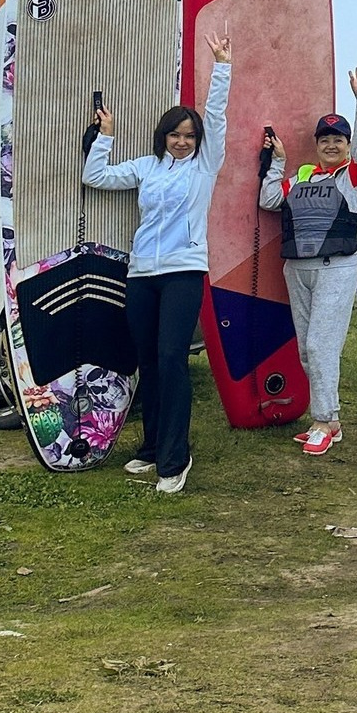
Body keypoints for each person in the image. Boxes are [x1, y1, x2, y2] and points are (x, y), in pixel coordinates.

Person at [83, 30, 232, 494]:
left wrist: (221, 67)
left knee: (172, 358)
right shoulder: (148, 167)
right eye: (175, 134)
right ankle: (150, 449)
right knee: (148, 360)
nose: (182, 142)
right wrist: (104, 137)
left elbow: (217, 117)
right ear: (163, 136)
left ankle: (175, 457)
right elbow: (95, 176)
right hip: (143, 273)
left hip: (184, 272)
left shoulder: (205, 166)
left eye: (189, 136)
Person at [259, 68, 357, 457]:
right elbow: (269, 200)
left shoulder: (353, 175)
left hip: (336, 268)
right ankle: (332, 421)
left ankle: (323, 420)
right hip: (297, 269)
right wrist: (279, 161)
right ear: (317, 144)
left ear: (345, 144)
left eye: (337, 139)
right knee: (308, 351)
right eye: (324, 139)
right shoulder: (302, 175)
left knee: (321, 346)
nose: (331, 144)